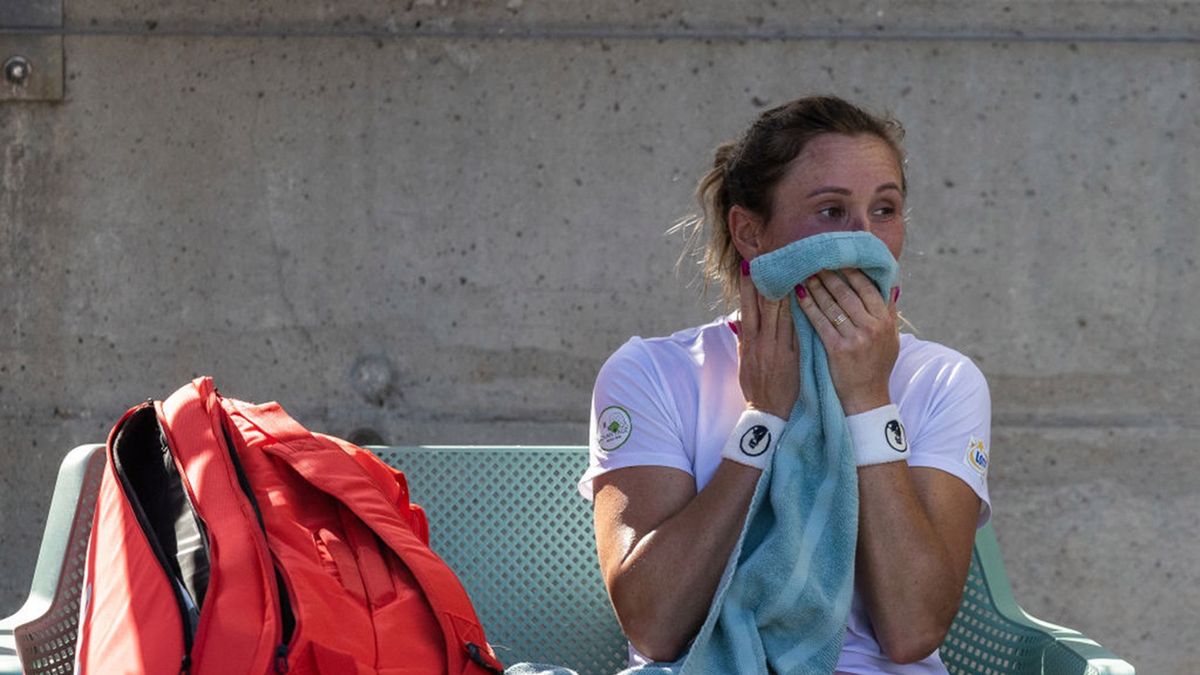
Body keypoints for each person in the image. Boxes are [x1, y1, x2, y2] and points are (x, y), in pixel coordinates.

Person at [578, 95, 991, 674]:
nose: (864, 240)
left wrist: (868, 401)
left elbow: (912, 629)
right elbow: (656, 624)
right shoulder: (652, 372)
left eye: (885, 210)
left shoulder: (942, 381)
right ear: (749, 233)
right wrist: (763, 419)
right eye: (830, 211)